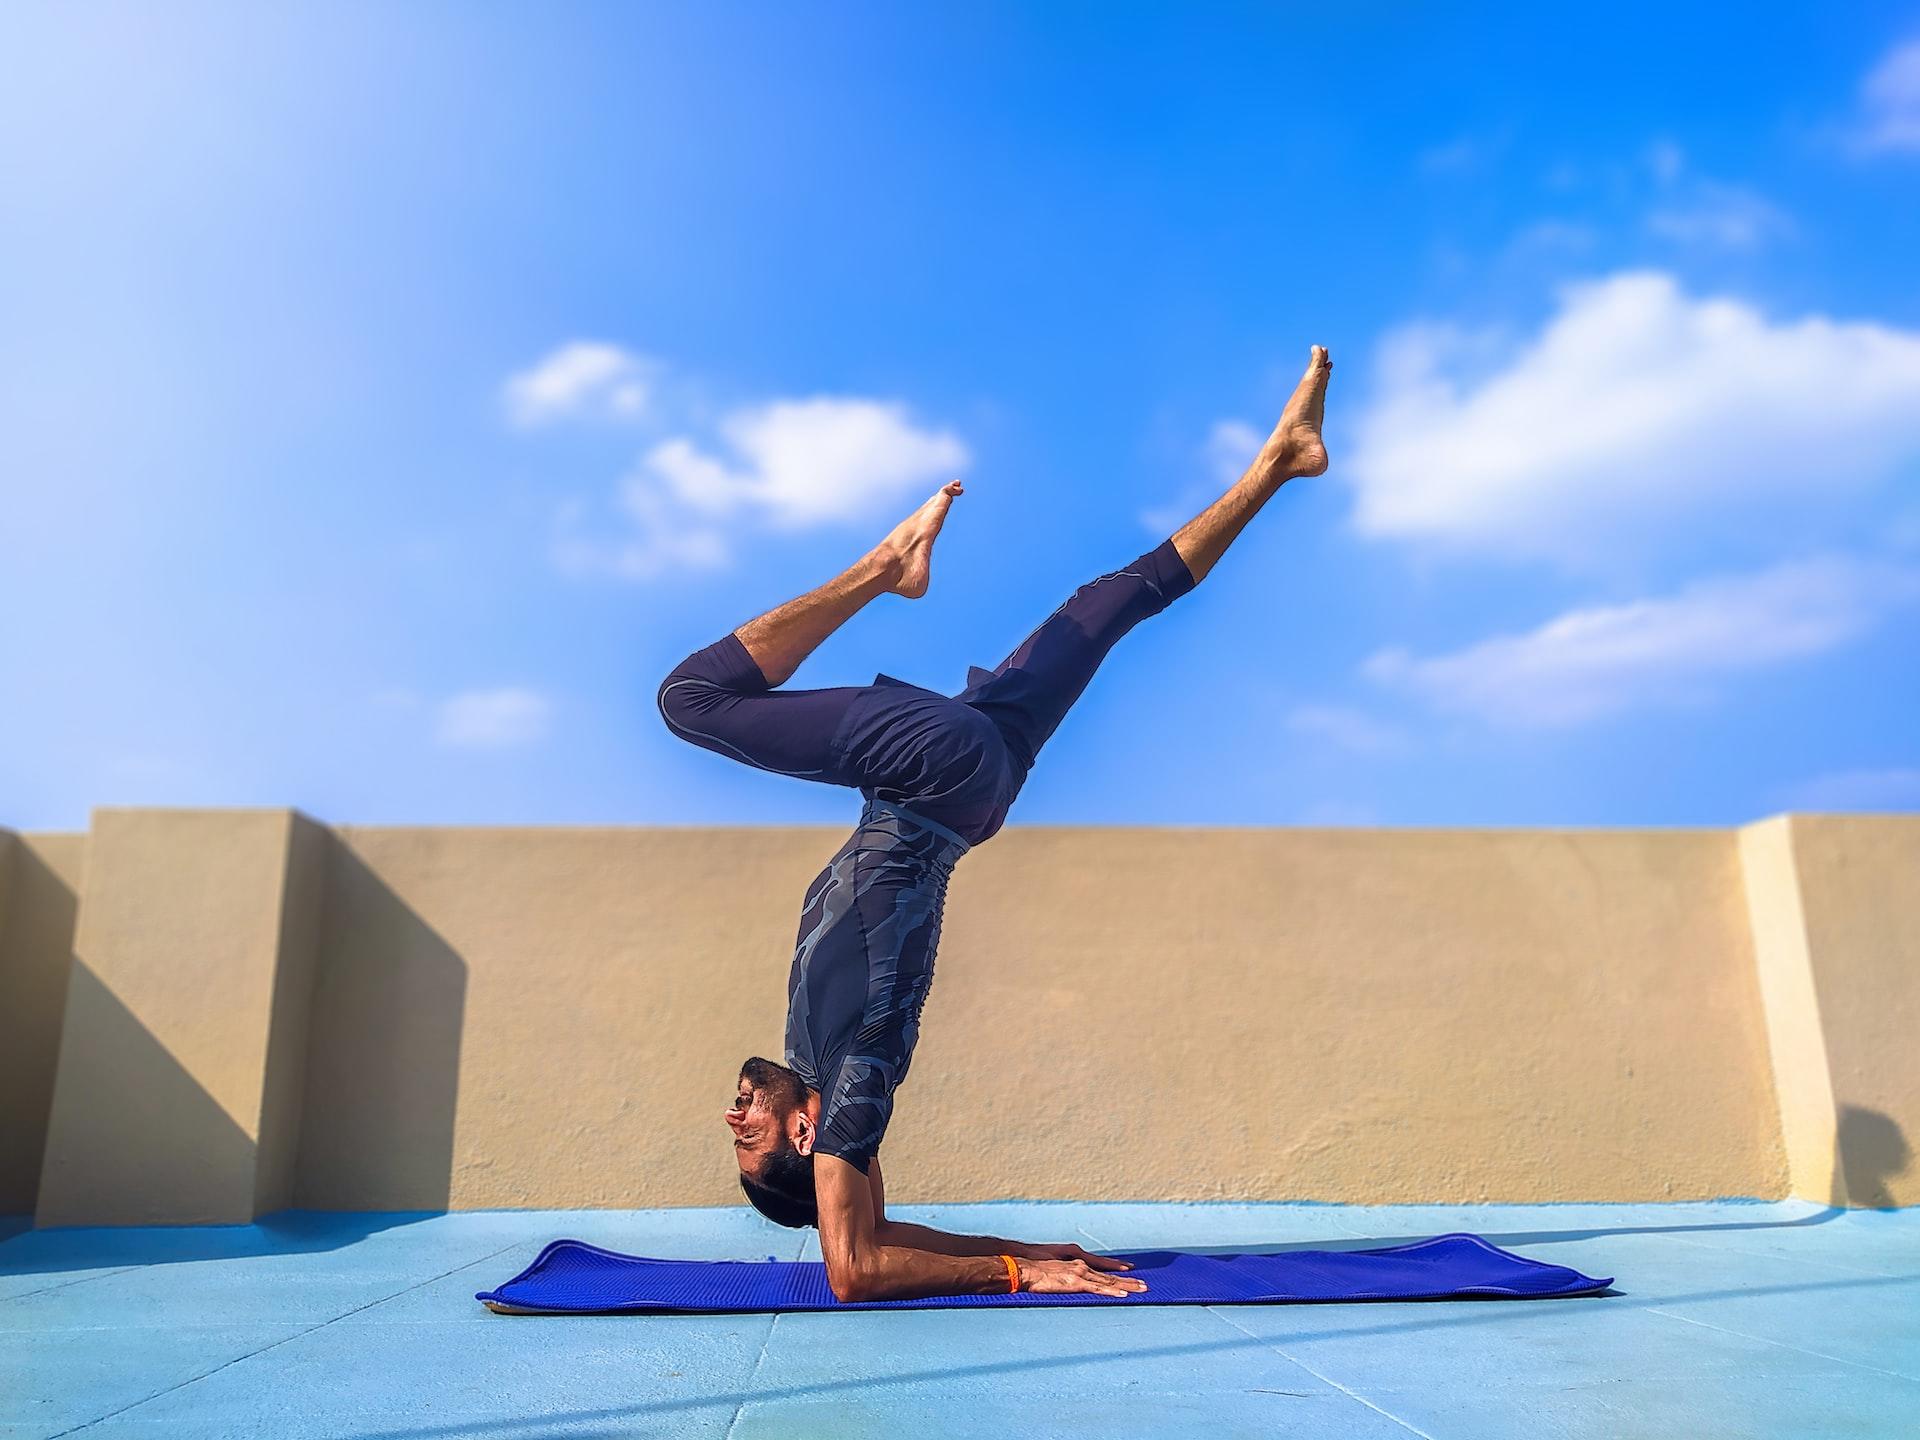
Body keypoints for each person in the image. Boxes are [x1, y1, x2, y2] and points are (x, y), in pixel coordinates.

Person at [657, 347, 1332, 1302]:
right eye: (749, 1140)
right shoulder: (849, 1091)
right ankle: (885, 566)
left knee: (1112, 603)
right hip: (925, 777)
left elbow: (880, 1230)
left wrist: (1035, 1251)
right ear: (806, 1137)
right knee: (690, 699)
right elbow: (853, 1269)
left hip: (972, 789)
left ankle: (1276, 464)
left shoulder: (830, 1071)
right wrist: (1021, 1276)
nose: (733, 1117)